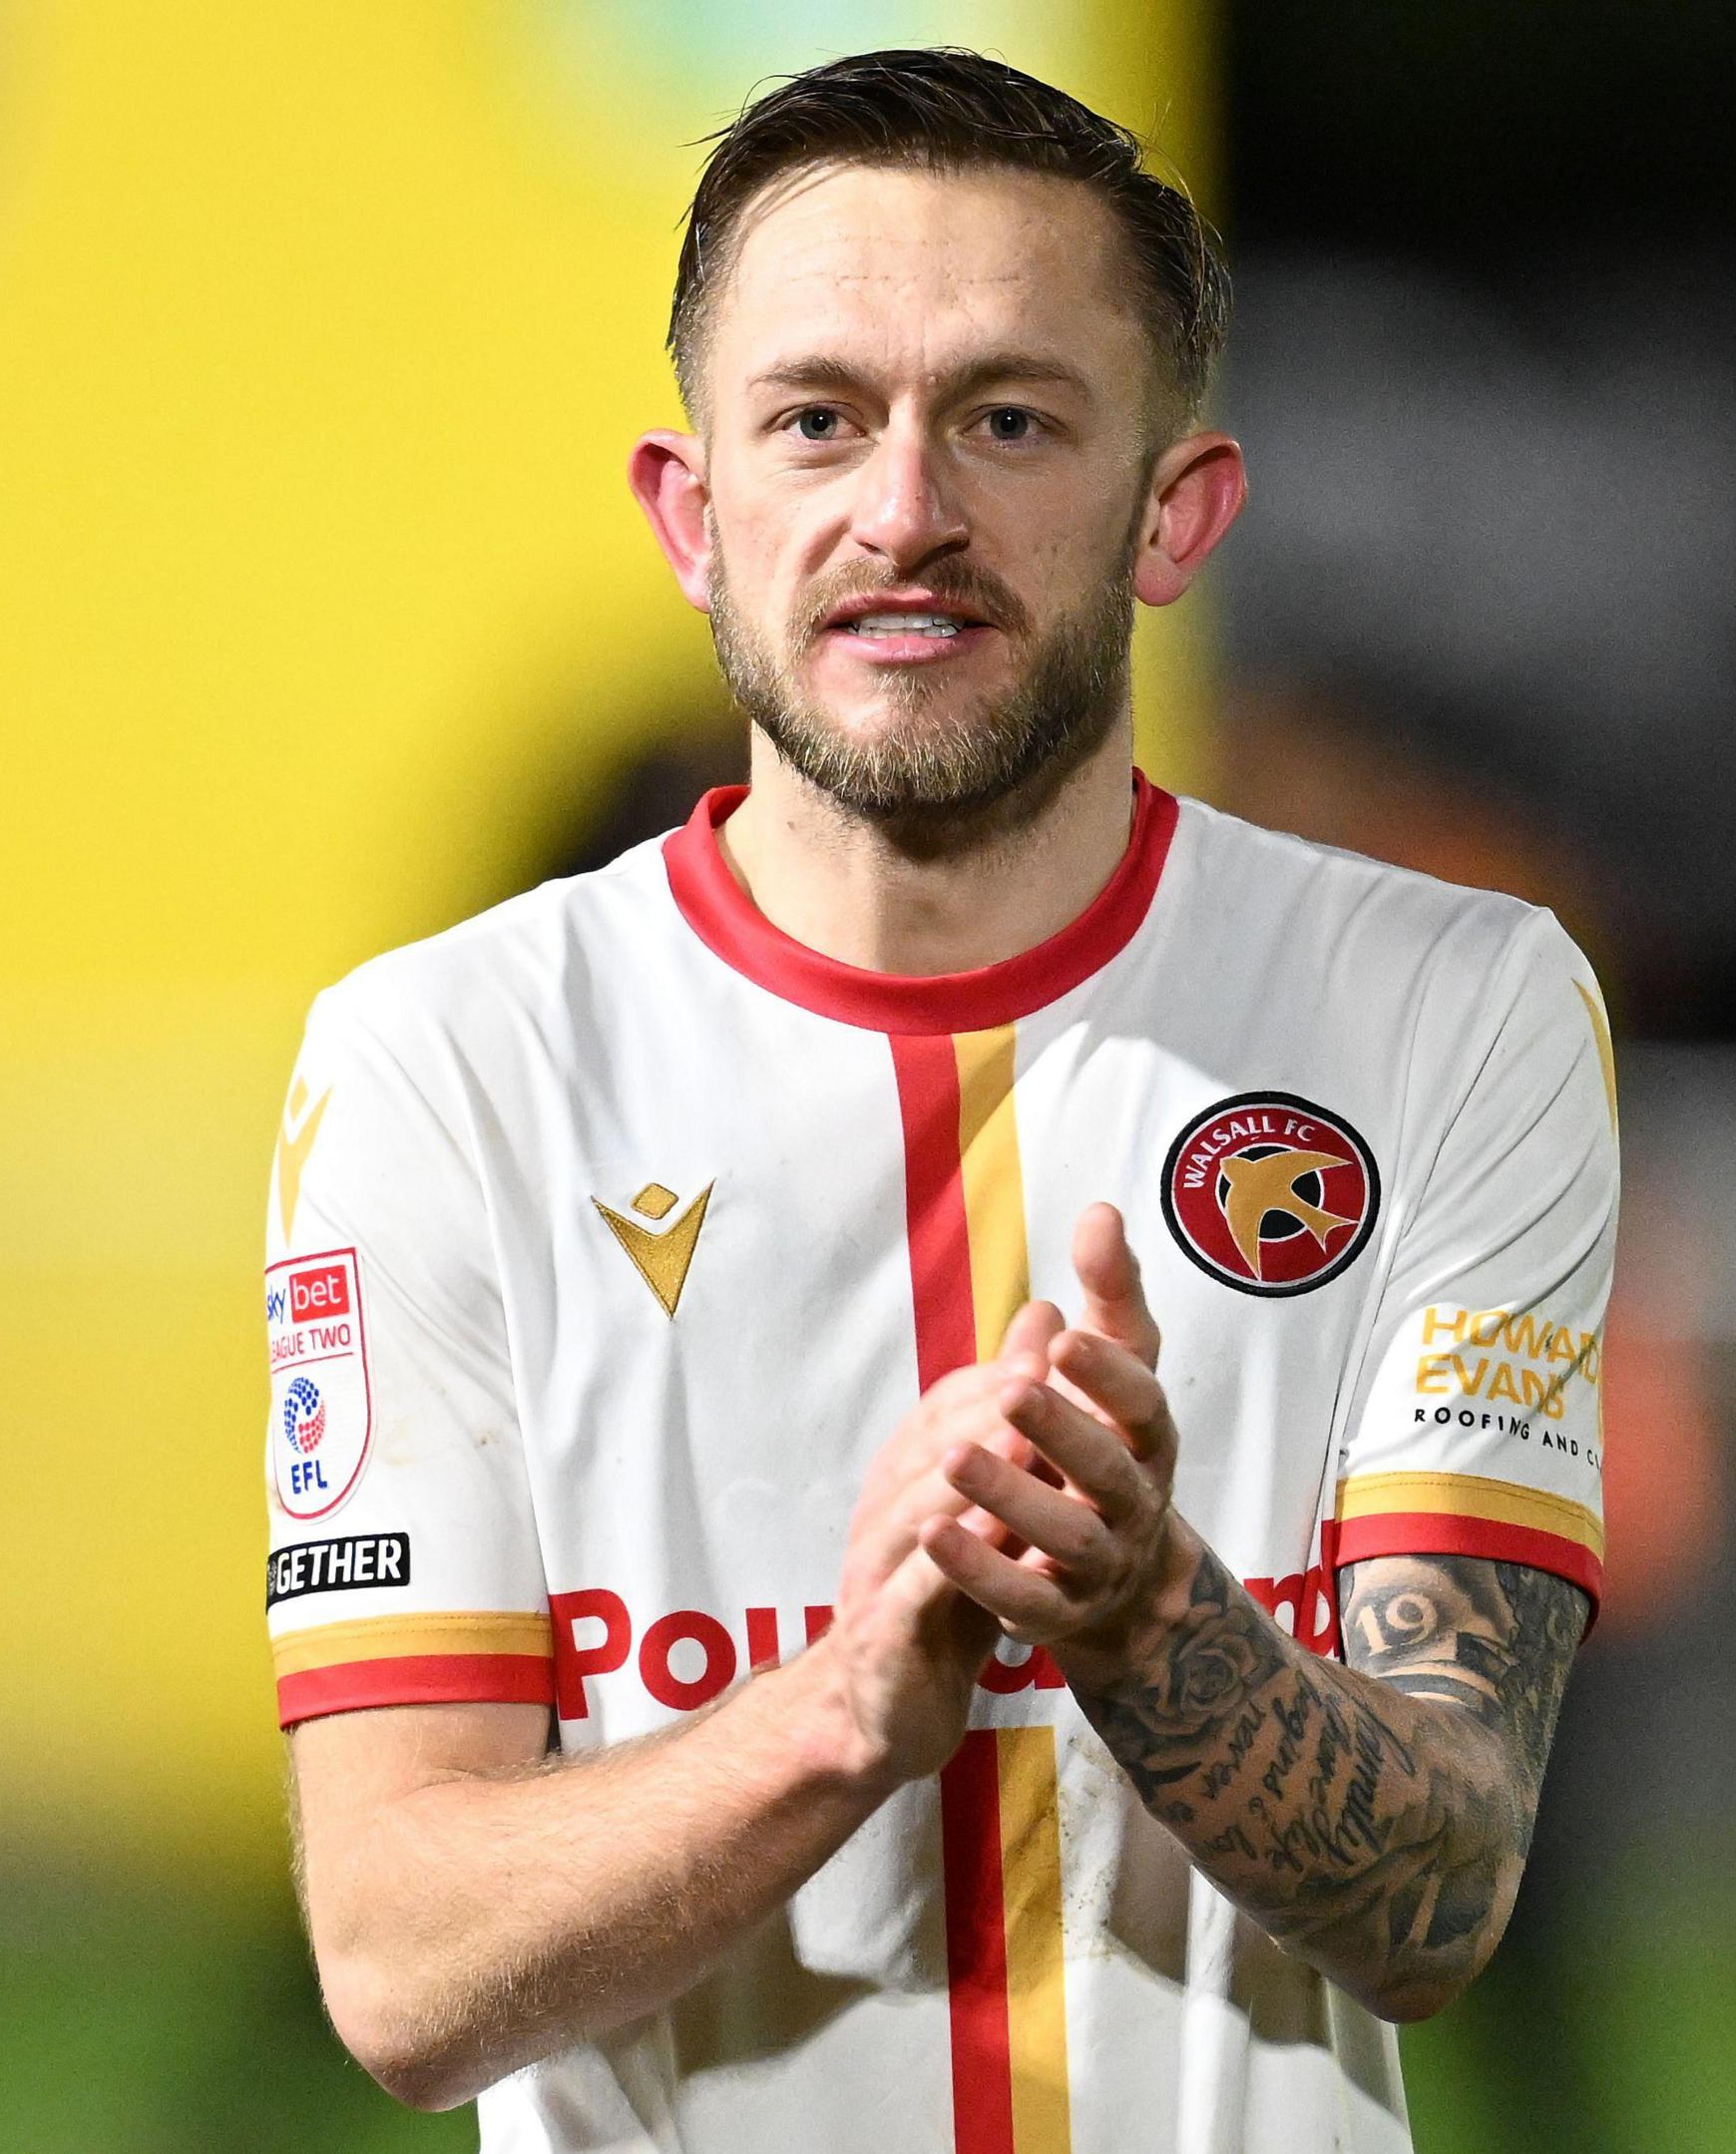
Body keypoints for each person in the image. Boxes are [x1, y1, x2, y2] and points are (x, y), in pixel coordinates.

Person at [260, 50, 1619, 2153]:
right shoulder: (444, 1063)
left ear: (1174, 514)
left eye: (1007, 417)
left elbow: (1440, 1890)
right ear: (692, 517)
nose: (905, 510)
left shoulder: (1449, 1008)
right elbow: (400, 1966)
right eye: (819, 419)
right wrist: (835, 1720)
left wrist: (1151, 1613)